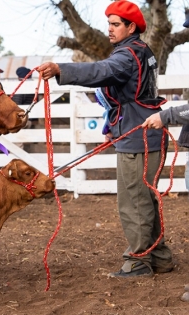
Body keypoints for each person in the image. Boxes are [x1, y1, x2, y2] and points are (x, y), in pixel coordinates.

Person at [38, 0, 173, 278]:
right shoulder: (141, 50)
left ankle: (138, 261)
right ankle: (159, 256)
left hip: (138, 136)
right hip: (146, 132)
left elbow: (101, 71)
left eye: (115, 24)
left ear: (131, 26)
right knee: (146, 198)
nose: (109, 29)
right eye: (108, 24)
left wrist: (61, 70)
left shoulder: (126, 55)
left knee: (134, 200)